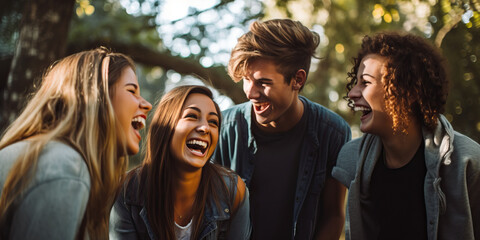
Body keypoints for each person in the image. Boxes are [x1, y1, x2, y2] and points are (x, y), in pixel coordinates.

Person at [332, 32, 480, 240]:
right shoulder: (352, 161)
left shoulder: (468, 163)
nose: (352, 93)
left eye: (365, 82)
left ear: (408, 91)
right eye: (355, 83)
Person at [214, 19, 351, 239]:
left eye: (263, 83)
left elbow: (333, 216)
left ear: (297, 79)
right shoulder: (223, 129)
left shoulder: (333, 133)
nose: (250, 93)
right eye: (247, 80)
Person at [0, 48, 152, 239]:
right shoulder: (65, 167)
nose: (147, 104)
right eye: (131, 90)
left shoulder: (39, 154)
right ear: (95, 96)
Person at [110, 85, 251, 240]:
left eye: (213, 122)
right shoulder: (126, 191)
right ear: (165, 126)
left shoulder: (233, 191)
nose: (205, 128)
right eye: (192, 116)